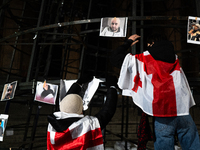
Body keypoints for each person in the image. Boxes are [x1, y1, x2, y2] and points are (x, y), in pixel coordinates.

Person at [110, 33, 200, 150]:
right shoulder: (175, 58)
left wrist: (127, 43)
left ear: (151, 44)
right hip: (182, 110)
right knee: (192, 143)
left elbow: (115, 57)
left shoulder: (142, 59)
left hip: (162, 112)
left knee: (164, 142)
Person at [47, 75, 118, 150]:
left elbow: (69, 103)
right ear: (81, 110)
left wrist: (78, 83)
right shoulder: (85, 126)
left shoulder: (53, 125)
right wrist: (112, 87)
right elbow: (108, 111)